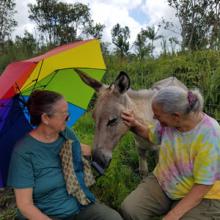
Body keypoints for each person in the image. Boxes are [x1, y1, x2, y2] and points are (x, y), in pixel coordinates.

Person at [7, 89, 123, 220]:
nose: (68, 117)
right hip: (46, 215)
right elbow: (25, 205)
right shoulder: (23, 152)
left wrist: (94, 151)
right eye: (65, 115)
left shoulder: (66, 134)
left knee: (112, 218)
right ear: (45, 118)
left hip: (80, 204)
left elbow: (82, 151)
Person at [120, 86, 220, 220]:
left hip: (202, 193)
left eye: (158, 115)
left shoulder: (211, 134)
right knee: (130, 210)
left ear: (176, 116)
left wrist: (172, 215)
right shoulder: (167, 124)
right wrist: (133, 124)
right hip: (165, 180)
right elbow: (152, 136)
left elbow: (203, 185)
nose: (154, 117)